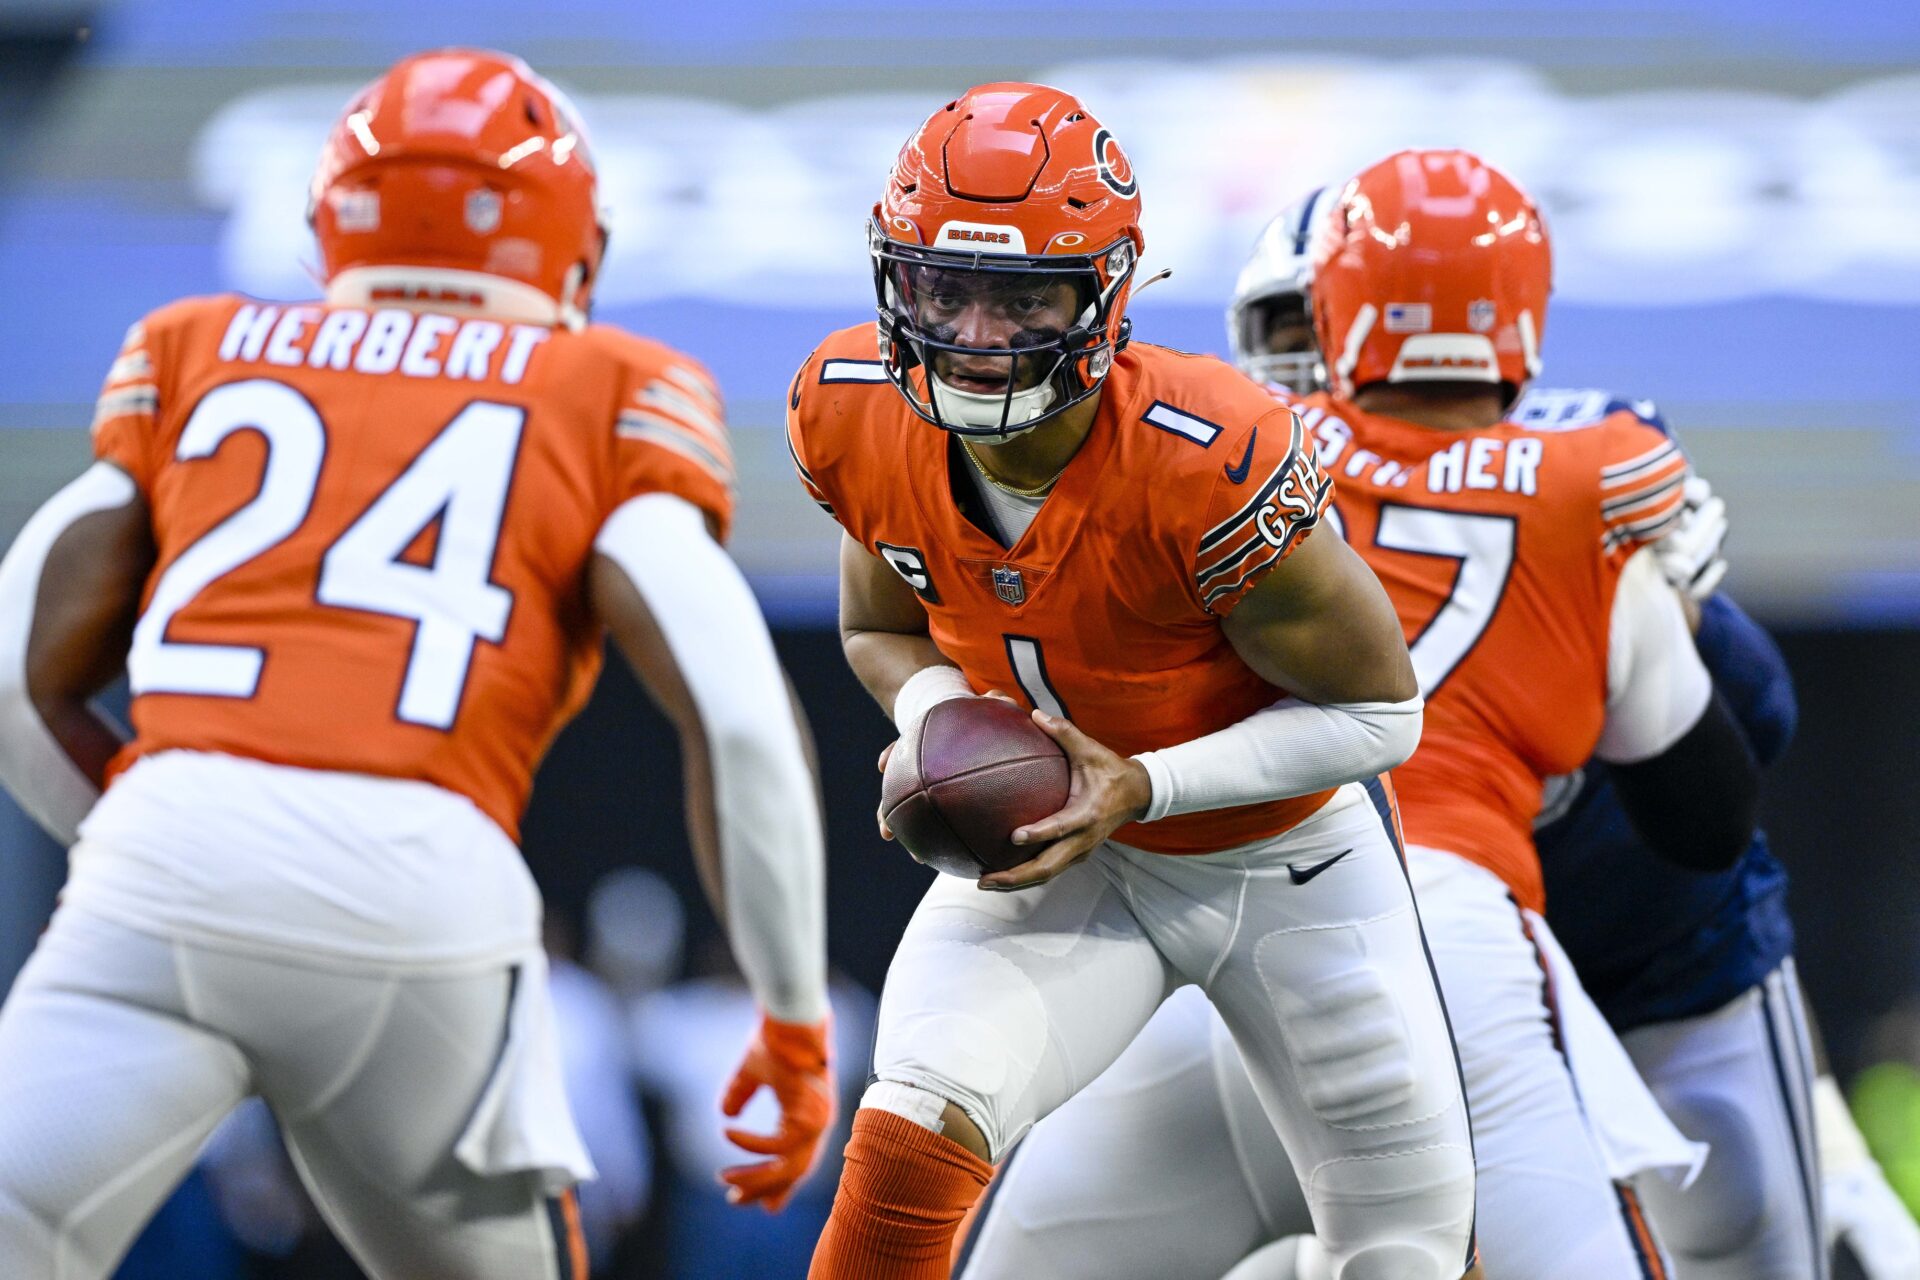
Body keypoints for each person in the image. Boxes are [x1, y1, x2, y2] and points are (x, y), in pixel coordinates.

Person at [0, 48, 832, 1280]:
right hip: (419, 886)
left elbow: (18, 666)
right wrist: (793, 1011)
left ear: (330, 223)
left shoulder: (199, 345)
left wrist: (167, 842)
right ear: (575, 247)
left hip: (162, 862)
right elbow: (741, 715)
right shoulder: (604, 385)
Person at [962, 148, 1771, 1279]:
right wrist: (1673, 609)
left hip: (1205, 950)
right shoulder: (1596, 485)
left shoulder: (1218, 458)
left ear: (1332, 309)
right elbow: (1710, 818)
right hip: (1448, 964)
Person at [787, 83, 1479, 1280]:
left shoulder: (1203, 451)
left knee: (1407, 1253)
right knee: (907, 1135)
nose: (974, 333)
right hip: (1066, 848)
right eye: (944, 287)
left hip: (1283, 857)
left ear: (1103, 297)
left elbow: (1380, 711)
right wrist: (940, 714)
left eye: (1020, 297)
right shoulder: (853, 414)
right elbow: (877, 627)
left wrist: (1143, 782)